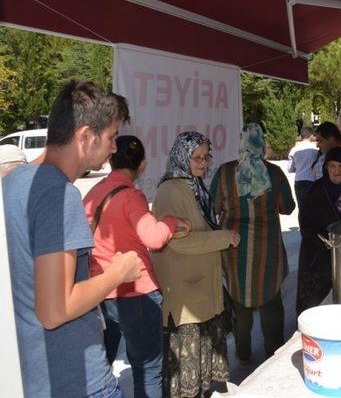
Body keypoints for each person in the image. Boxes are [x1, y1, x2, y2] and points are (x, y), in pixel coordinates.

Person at [2, 81, 141, 397]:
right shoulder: (58, 194)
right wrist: (119, 273)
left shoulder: (14, 182)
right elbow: (55, 310)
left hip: (38, 379)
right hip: (77, 381)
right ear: (85, 137)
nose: (114, 148)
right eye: (110, 137)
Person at [83, 135, 190, 397]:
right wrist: (172, 223)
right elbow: (153, 238)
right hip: (137, 294)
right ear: (142, 165)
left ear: (110, 159)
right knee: (149, 370)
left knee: (106, 365)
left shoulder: (93, 194)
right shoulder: (132, 197)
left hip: (105, 294)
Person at [152, 131, 240, 397]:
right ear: (182, 156)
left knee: (201, 369)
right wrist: (223, 237)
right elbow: (178, 241)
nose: (203, 164)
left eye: (206, 157)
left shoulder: (194, 185)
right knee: (184, 375)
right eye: (197, 158)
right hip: (185, 295)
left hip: (202, 290)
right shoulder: (170, 190)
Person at [210, 123, 295, 365]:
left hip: (234, 248)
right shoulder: (274, 174)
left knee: (240, 303)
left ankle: (243, 353)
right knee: (270, 303)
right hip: (268, 250)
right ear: (263, 144)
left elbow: (213, 207)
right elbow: (288, 208)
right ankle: (273, 353)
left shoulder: (225, 172)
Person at [296, 147, 341, 315]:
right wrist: (326, 241)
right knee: (314, 307)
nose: (337, 171)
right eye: (333, 166)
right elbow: (306, 226)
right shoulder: (314, 191)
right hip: (317, 259)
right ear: (325, 168)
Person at [287, 125, 318, 207]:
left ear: (301, 135)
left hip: (299, 182)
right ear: (311, 135)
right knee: (313, 207)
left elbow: (290, 169)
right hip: (313, 181)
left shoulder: (294, 150)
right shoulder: (316, 149)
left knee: (302, 208)